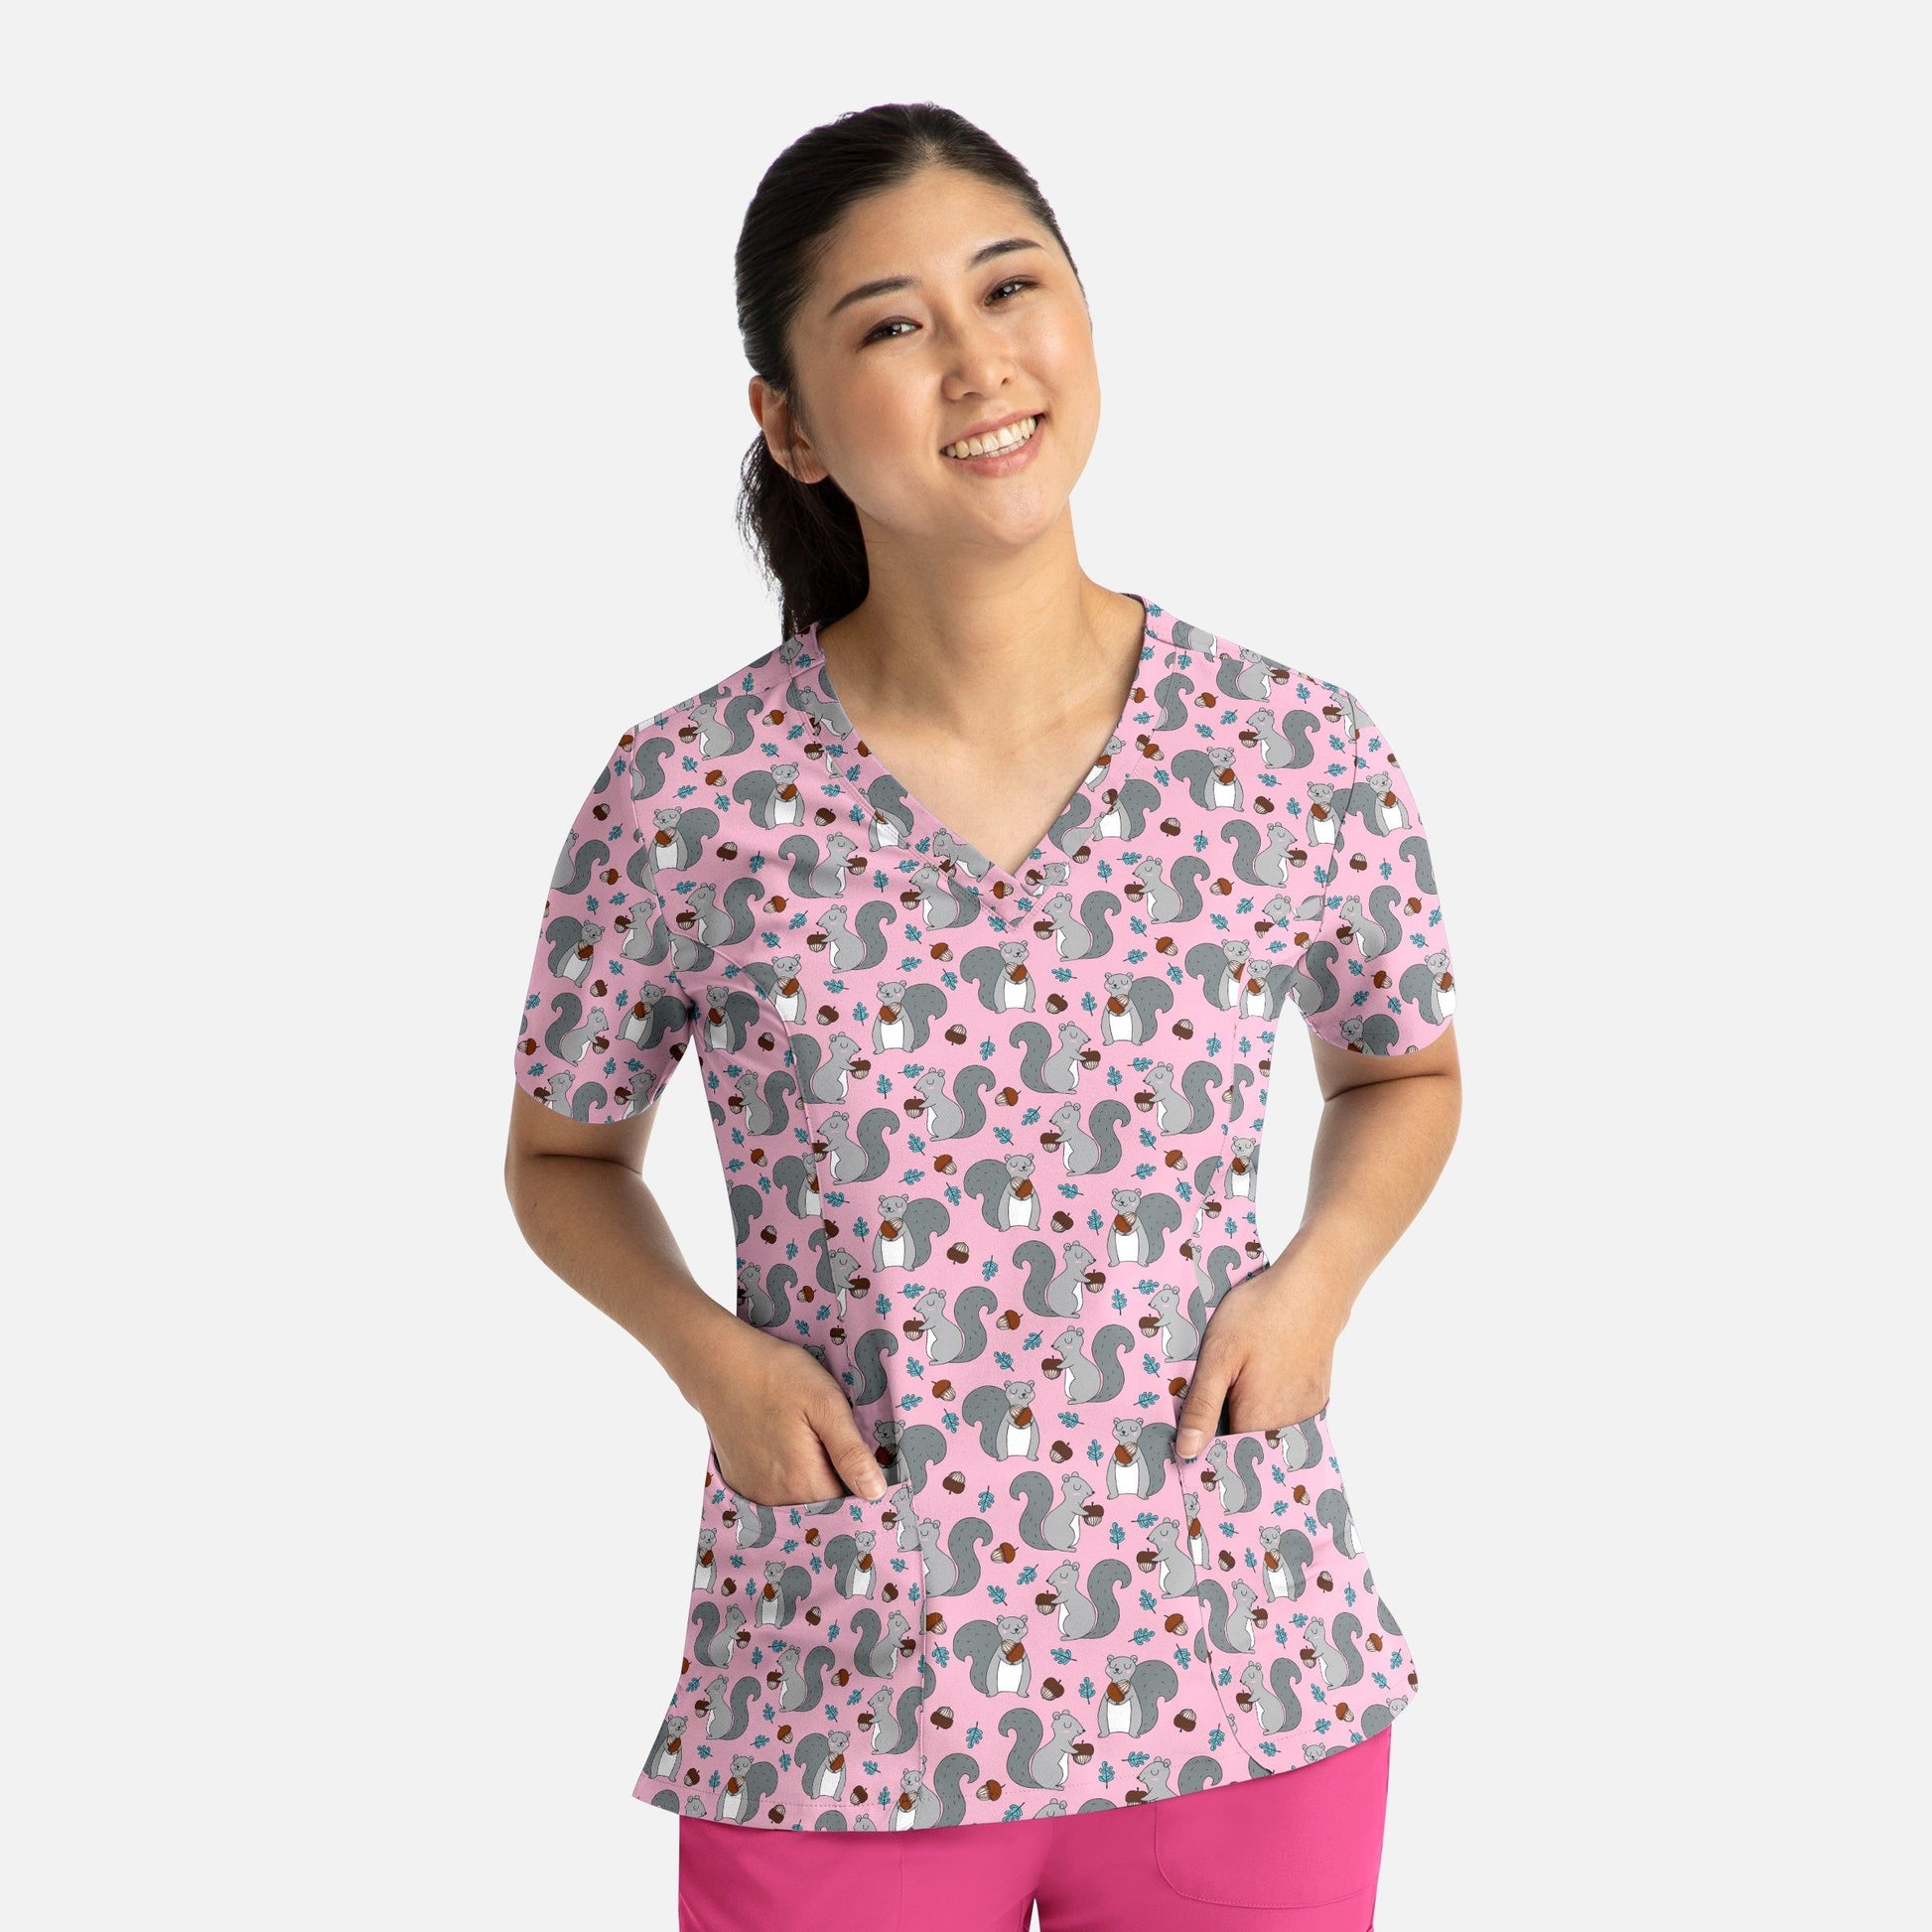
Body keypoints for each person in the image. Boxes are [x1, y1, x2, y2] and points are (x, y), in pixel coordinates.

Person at [502, 101, 1461, 1932]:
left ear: (1083, 315)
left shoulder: (1292, 748)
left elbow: (1400, 1069)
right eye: (890, 323)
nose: (975, 359)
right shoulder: (686, 796)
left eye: (1009, 287)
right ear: (790, 427)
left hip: (1238, 1662)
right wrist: (711, 1360)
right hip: (839, 1691)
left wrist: (1318, 1281)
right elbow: (562, 1157)